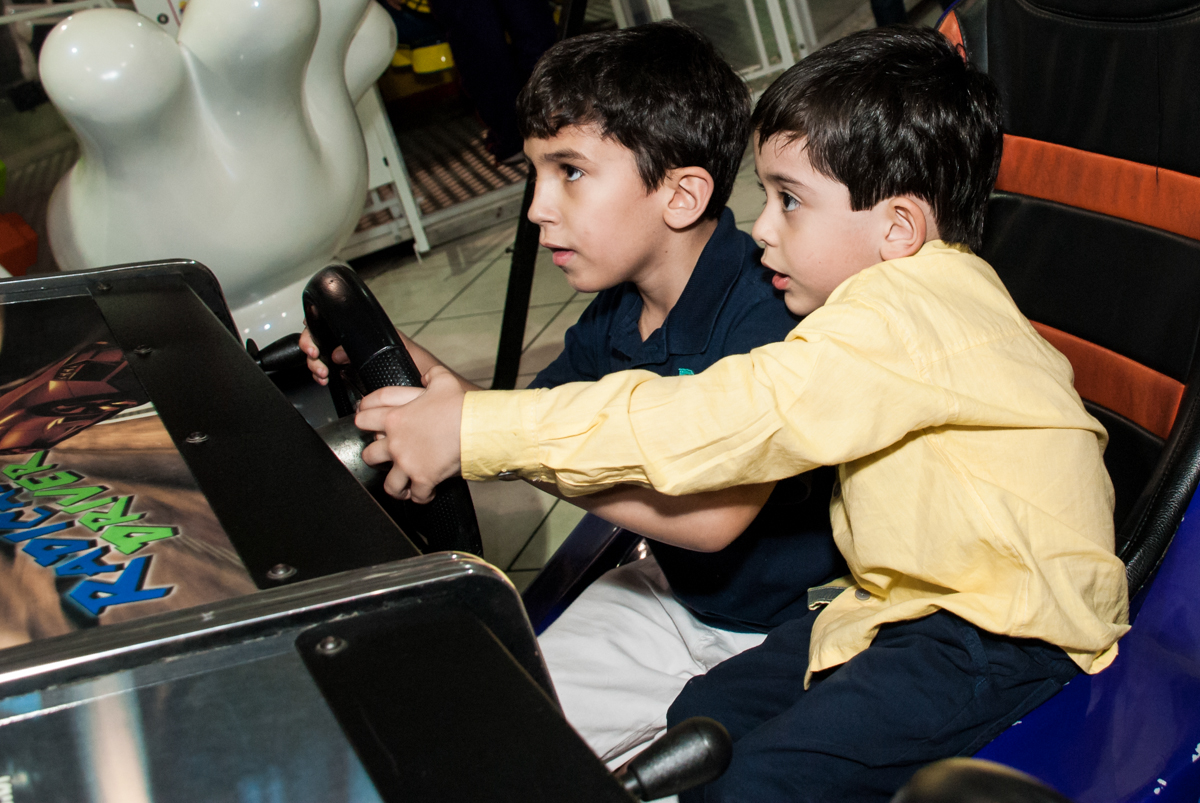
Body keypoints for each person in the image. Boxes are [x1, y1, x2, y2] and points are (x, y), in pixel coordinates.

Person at [351, 26, 1131, 801]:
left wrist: (475, 431)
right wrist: (453, 403)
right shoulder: (891, 308)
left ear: (897, 227)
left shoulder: (907, 312)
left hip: (999, 631)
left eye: (789, 200)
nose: (761, 227)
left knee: (752, 783)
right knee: (703, 718)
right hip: (901, 605)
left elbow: (719, 420)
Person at [302, 20, 843, 768]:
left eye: (571, 172)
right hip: (672, 595)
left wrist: (480, 439)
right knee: (497, 741)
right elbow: (538, 419)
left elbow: (712, 518)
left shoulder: (766, 310)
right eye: (536, 174)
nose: (537, 208)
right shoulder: (618, 312)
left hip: (798, 624)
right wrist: (426, 377)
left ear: (681, 194)